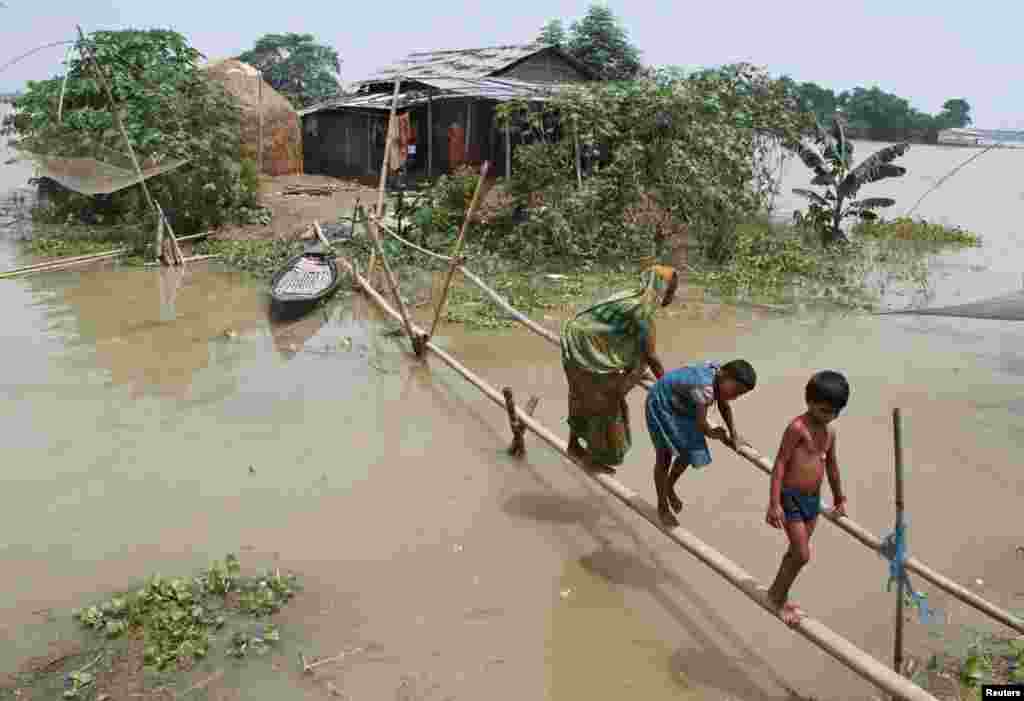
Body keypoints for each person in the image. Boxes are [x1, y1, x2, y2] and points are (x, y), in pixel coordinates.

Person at [560, 265, 679, 472]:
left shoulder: (632, 296)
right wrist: (668, 388)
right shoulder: (641, 310)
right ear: (661, 289)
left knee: (580, 393)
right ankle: (591, 458)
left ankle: (574, 446)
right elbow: (651, 356)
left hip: (576, 339)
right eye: (671, 289)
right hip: (584, 347)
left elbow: (627, 337)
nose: (672, 295)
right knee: (604, 401)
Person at [765, 370, 850, 626]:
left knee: (794, 553)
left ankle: (777, 593)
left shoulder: (830, 432)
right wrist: (773, 503)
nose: (829, 417)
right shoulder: (797, 428)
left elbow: (832, 466)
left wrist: (839, 498)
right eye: (824, 410)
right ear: (810, 402)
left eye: (835, 412)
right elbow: (780, 463)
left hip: (813, 500)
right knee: (802, 555)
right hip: (790, 497)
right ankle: (776, 600)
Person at [645, 359, 757, 527]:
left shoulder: (718, 376)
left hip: (682, 402)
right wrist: (714, 433)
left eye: (740, 394)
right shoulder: (705, 387)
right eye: (735, 391)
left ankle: (669, 486)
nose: (735, 397)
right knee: (664, 457)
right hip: (662, 402)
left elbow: (724, 406)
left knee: (689, 452)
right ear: (722, 374)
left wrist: (734, 434)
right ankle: (662, 506)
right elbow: (702, 425)